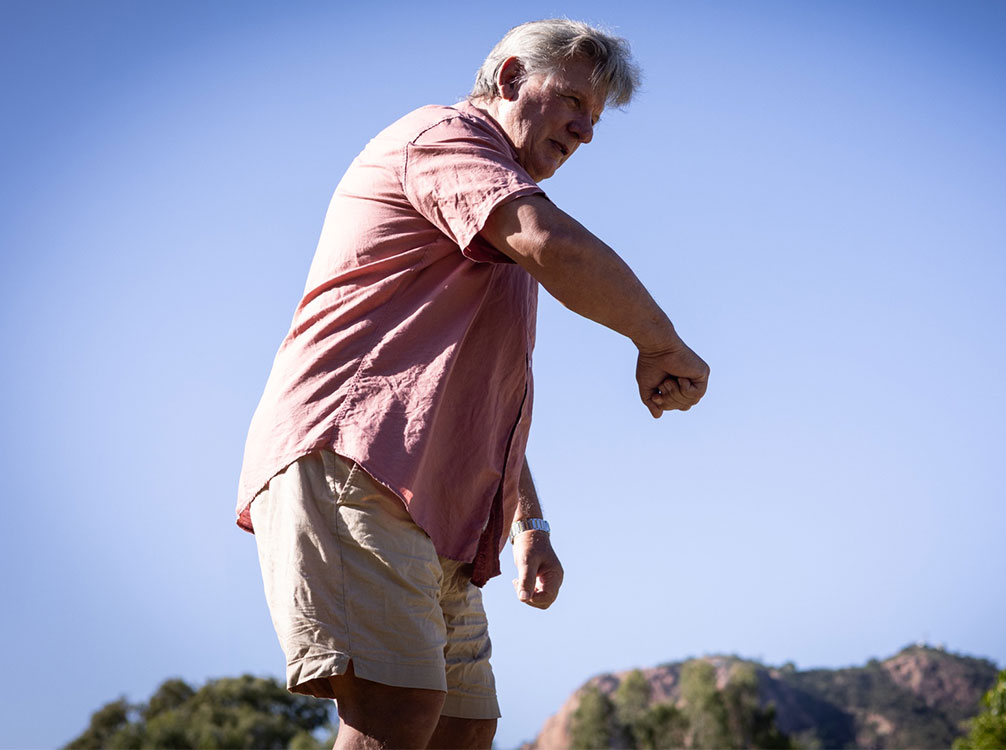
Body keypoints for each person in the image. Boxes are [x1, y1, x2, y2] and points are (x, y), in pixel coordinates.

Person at [236, 18, 708, 749]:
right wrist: (659, 343)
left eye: (596, 119)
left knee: (463, 727)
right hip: (350, 465)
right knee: (397, 711)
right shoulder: (446, 141)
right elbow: (550, 242)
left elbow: (474, 404)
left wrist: (531, 525)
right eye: (575, 103)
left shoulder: (496, 216)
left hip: (435, 515)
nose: (586, 132)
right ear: (513, 78)